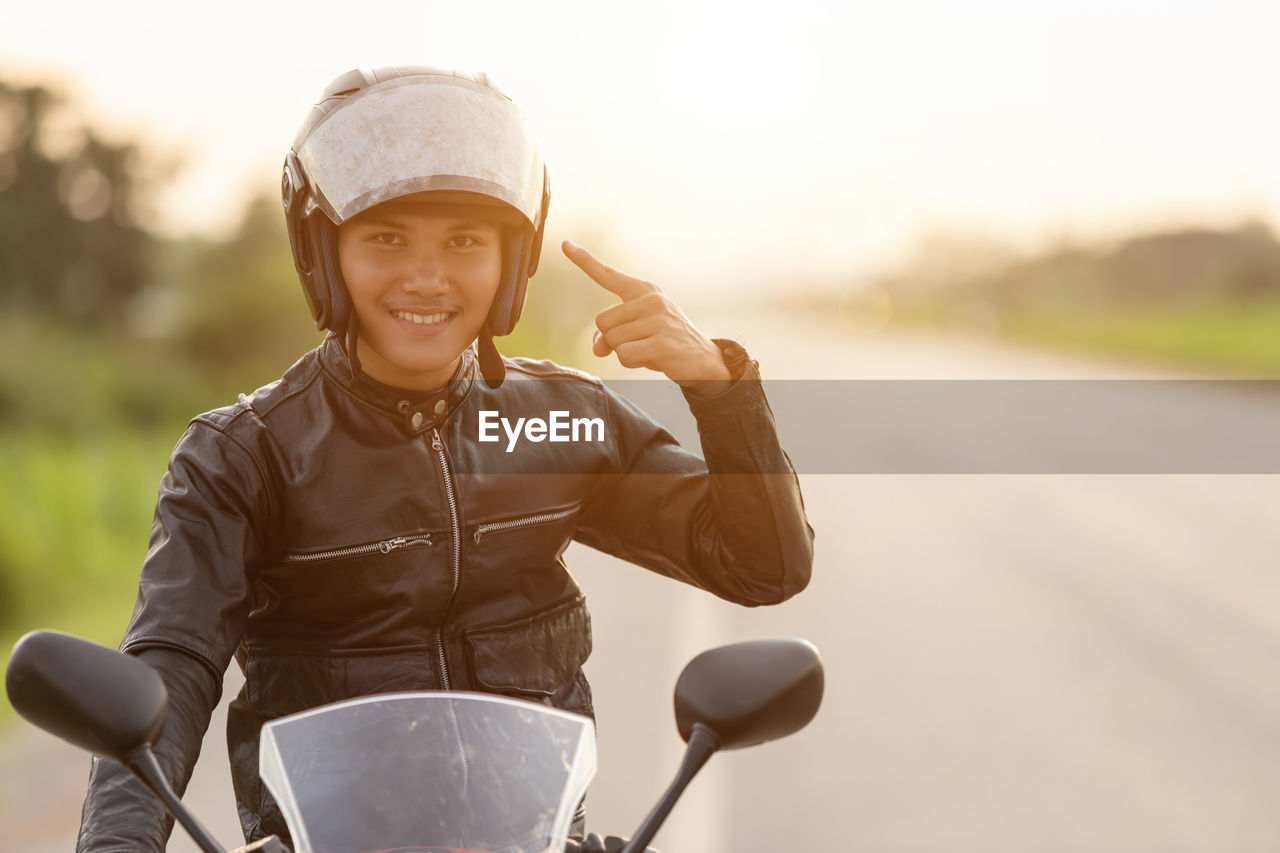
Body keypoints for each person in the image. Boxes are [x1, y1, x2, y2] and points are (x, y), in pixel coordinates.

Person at [75, 65, 813, 852]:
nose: (426, 276)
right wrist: (119, 843)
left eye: (463, 241)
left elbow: (760, 565)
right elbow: (169, 670)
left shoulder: (557, 421)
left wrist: (718, 387)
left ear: (509, 260)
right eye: (387, 237)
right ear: (324, 249)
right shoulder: (245, 455)